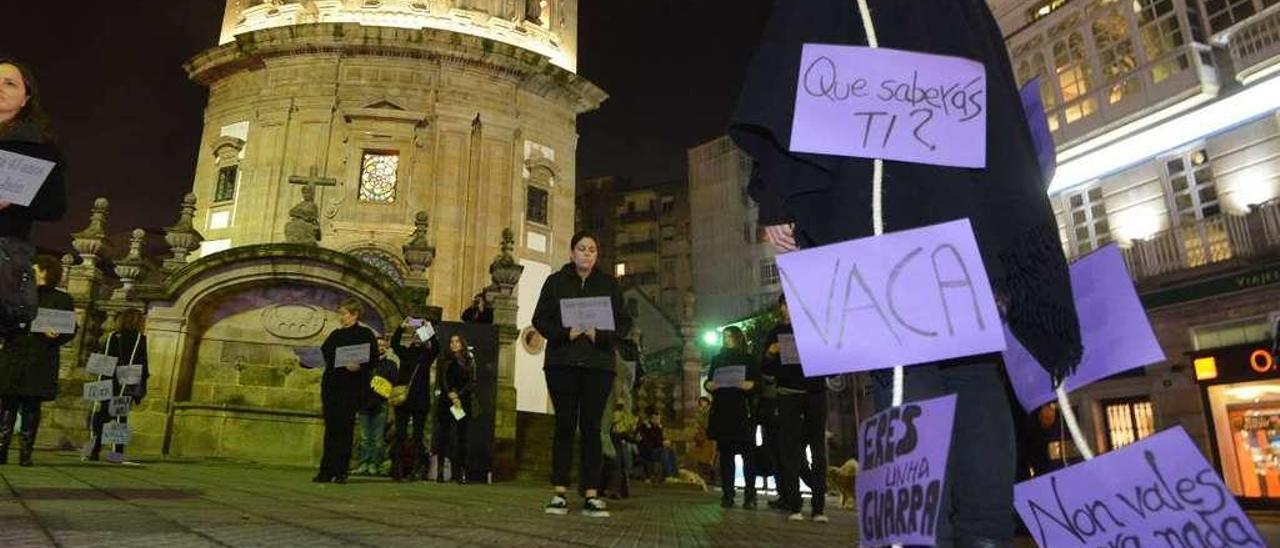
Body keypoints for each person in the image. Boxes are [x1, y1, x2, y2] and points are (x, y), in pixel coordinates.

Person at [730, 2, 1083, 543]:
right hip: (962, 204)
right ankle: (984, 535)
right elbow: (994, 94)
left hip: (879, 207)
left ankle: (917, 536)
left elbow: (790, 79)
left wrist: (777, 197)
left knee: (903, 370)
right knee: (972, 367)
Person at [532, 230, 631, 518]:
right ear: (572, 252)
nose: (587, 254)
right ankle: (559, 492)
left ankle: (591, 493)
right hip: (562, 363)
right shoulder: (556, 282)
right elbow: (540, 319)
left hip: (598, 366)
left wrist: (598, 334)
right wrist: (566, 332)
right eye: (582, 249)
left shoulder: (609, 284)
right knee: (564, 426)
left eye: (592, 250)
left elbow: (624, 324)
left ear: (596, 255)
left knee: (591, 430)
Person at [0, 59, 67, 336]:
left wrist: (14, 199)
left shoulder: (40, 148)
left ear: (26, 97)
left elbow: (55, 207)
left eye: (9, 83)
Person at [0, 255, 75, 466]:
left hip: (40, 358)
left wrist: (57, 334)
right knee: (7, 405)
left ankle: (25, 453)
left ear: (45, 272)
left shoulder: (62, 299)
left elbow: (70, 329)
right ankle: (1, 450)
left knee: (32, 409)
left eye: (34, 270)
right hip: (15, 355)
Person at [759, 294, 829, 522]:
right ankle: (794, 504)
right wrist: (771, 352)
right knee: (790, 449)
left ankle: (819, 507)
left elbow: (832, 364)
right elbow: (766, 370)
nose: (786, 310)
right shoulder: (776, 332)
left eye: (790, 305)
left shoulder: (816, 330)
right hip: (787, 396)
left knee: (818, 450)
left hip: (815, 394)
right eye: (783, 305)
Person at [315, 298, 378, 484]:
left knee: (345, 430)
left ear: (354, 314)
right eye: (341, 314)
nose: (341, 317)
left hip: (351, 389)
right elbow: (326, 353)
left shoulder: (366, 334)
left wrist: (359, 366)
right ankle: (326, 470)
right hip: (333, 387)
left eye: (344, 314)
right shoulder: (336, 335)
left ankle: (341, 471)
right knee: (331, 430)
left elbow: (373, 358)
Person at [704, 326, 761, 509]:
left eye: (729, 336)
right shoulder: (718, 359)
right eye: (724, 336)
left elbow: (757, 383)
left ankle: (750, 495)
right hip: (723, 410)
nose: (725, 339)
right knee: (726, 454)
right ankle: (728, 494)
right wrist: (708, 385)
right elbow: (709, 380)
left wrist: (750, 385)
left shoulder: (748, 359)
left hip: (742, 411)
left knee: (747, 455)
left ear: (737, 338)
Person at [87, 308, 149, 462]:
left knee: (99, 416)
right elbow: (142, 364)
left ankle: (94, 450)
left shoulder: (111, 337)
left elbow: (101, 361)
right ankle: (116, 454)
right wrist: (141, 386)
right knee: (120, 419)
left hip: (107, 378)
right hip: (128, 378)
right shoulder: (140, 339)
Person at [389, 318, 438, 481]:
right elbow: (395, 343)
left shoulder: (427, 355)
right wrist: (401, 327)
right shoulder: (405, 352)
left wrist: (427, 328)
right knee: (400, 434)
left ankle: (414, 470)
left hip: (420, 399)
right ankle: (397, 469)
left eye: (420, 336)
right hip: (403, 398)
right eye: (415, 335)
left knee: (418, 436)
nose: (417, 337)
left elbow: (436, 346)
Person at [433, 333, 476, 484]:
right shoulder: (444, 359)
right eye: (452, 341)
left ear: (462, 344)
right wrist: (450, 393)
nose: (454, 344)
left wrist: (458, 395)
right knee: (443, 436)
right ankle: (440, 472)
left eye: (457, 341)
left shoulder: (469, 360)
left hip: (461, 402)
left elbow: (472, 382)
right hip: (446, 400)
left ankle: (462, 472)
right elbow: (441, 379)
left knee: (462, 437)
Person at [354, 336, 398, 476]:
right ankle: (363, 463)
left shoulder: (390, 364)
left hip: (381, 404)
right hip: (364, 403)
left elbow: (393, 382)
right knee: (365, 437)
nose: (381, 347)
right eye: (378, 345)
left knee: (378, 438)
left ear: (387, 348)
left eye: (383, 345)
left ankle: (374, 464)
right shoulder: (365, 363)